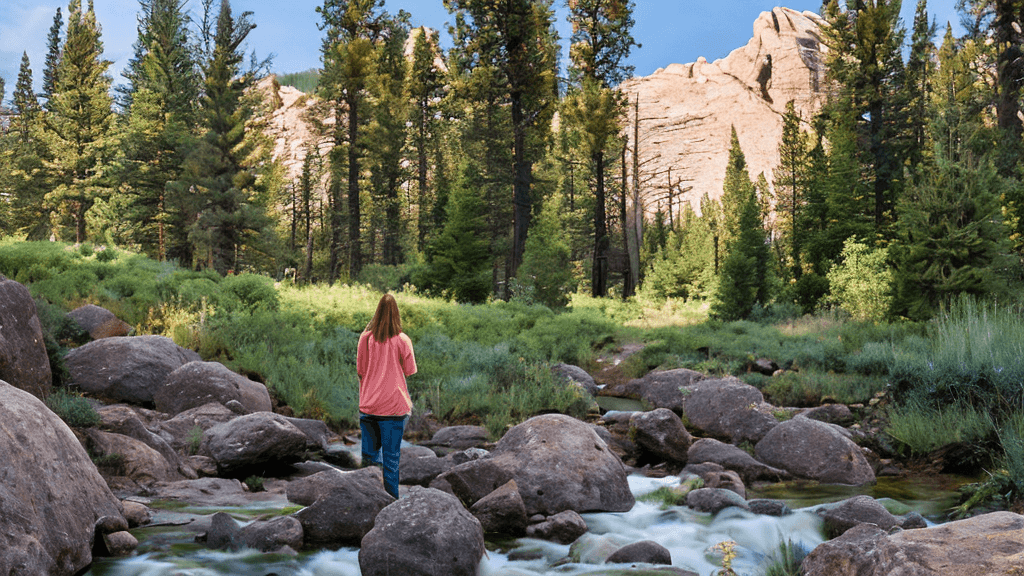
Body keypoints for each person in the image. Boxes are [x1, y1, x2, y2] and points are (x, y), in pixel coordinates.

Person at [356, 293, 417, 499]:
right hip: (394, 407)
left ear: (377, 312)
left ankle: (369, 501)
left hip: (369, 405)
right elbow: (409, 370)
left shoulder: (365, 338)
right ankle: (392, 505)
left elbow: (360, 370)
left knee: (369, 459)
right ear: (396, 314)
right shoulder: (402, 340)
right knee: (391, 460)